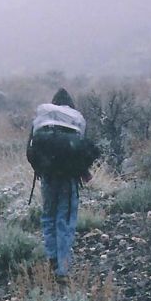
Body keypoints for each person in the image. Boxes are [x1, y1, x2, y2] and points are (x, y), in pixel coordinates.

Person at [27, 88, 97, 283]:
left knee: (48, 217)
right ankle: (63, 268)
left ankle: (52, 260)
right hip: (68, 178)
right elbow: (82, 150)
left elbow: (30, 149)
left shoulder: (43, 119)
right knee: (64, 220)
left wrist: (40, 169)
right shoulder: (76, 120)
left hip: (48, 176)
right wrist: (84, 173)